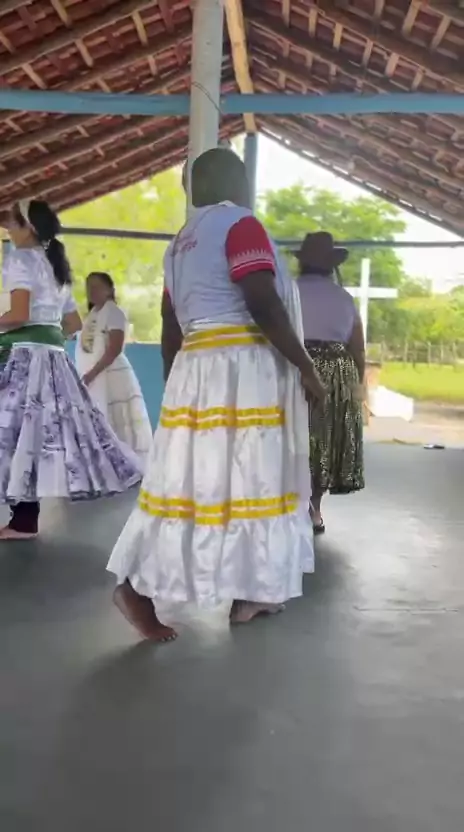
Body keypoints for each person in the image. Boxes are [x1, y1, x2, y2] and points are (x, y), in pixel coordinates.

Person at [107, 147, 325, 643]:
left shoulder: (180, 243)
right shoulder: (241, 226)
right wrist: (305, 366)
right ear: (238, 183)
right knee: (251, 476)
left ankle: (242, 591)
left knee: (194, 483)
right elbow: (262, 302)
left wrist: (176, 384)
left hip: (196, 365)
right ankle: (160, 589)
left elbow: (170, 322)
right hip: (240, 366)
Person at [0, 199, 143, 540]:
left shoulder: (19, 259)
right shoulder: (55, 265)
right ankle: (24, 520)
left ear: (27, 228)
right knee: (31, 435)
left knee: (13, 431)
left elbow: (19, 314)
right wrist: (48, 339)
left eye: (12, 222)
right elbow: (73, 323)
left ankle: (23, 519)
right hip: (53, 360)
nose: (8, 228)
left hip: (23, 357)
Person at [296, 231, 365, 535]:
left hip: (294, 367)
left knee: (291, 437)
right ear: (331, 265)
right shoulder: (345, 299)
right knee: (323, 443)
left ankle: (287, 505)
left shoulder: (287, 291)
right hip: (336, 373)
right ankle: (314, 508)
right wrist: (357, 385)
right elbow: (357, 348)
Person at [75, 271, 152, 466]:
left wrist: (92, 373)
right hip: (92, 377)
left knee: (116, 423)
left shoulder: (114, 313)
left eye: (97, 286)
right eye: (88, 287)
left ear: (109, 289)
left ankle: (124, 467)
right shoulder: (92, 315)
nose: (91, 291)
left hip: (111, 375)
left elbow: (114, 348)